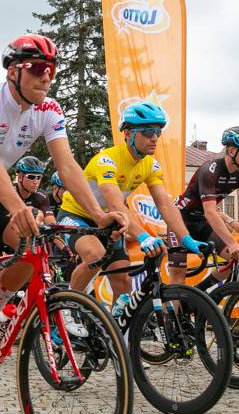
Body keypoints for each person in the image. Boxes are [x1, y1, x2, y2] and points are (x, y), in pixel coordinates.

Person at [0, 34, 127, 412]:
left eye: (51, 71)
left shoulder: (49, 109)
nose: (46, 77)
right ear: (15, 71)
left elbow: (68, 167)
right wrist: (19, 205)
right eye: (37, 69)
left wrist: (100, 215)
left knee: (32, 246)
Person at [57, 101, 207, 334]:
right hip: (78, 215)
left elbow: (166, 205)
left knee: (124, 284)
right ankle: (65, 309)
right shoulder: (107, 160)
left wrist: (186, 239)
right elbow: (116, 204)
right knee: (95, 254)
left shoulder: (150, 165)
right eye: (148, 132)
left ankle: (121, 348)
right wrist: (145, 237)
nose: (154, 137)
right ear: (128, 134)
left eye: (158, 132)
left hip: (112, 221)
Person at [168, 126, 239, 290]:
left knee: (237, 259)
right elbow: (210, 212)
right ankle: (170, 314)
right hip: (180, 220)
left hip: (201, 222)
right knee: (177, 275)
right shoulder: (210, 170)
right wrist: (232, 242)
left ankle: (198, 296)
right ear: (231, 150)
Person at [13, 156, 55, 225]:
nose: (36, 181)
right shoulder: (10, 193)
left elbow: (50, 221)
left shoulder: (42, 196)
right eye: (31, 177)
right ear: (20, 177)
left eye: (38, 177)